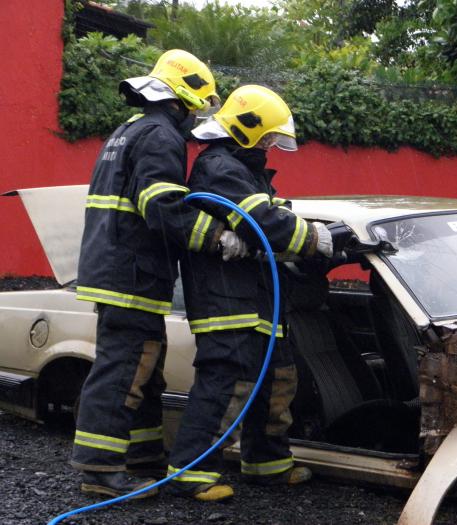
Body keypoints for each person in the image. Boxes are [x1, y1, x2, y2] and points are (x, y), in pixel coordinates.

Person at [71, 49, 246, 499]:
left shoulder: (131, 129)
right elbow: (161, 206)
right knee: (125, 370)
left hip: (118, 267)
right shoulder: (161, 136)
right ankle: (99, 470)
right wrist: (217, 237)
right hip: (132, 272)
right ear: (184, 99)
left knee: (144, 369)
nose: (195, 119)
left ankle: (142, 459)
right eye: (196, 108)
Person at [166, 85, 333, 501]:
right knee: (225, 382)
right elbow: (261, 218)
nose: (271, 146)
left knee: (277, 380)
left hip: (259, 297)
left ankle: (267, 465)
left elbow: (265, 220)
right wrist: (314, 238)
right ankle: (190, 471)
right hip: (225, 299)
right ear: (246, 131)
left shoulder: (245, 168)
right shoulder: (219, 167)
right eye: (267, 138)